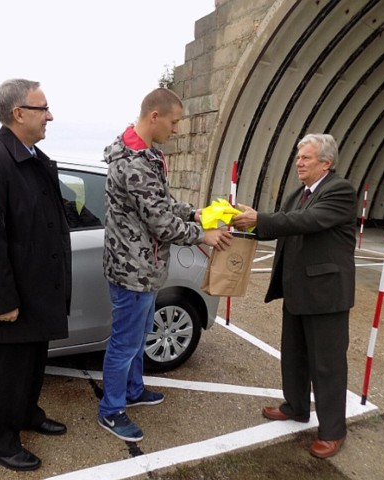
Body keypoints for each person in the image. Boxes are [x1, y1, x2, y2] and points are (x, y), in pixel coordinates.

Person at [99, 88, 233, 442]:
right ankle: (111, 411)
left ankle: (133, 389)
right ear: (154, 116)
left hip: (146, 266)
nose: (176, 130)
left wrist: (195, 213)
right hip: (132, 270)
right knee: (125, 343)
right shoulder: (133, 164)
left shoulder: (148, 156)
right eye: (174, 122)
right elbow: (161, 223)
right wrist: (203, 235)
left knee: (140, 337)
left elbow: (164, 203)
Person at [0, 79, 71, 472]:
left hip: (38, 290)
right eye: (43, 109)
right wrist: (1, 301)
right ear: (18, 113)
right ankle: (1, 442)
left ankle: (27, 414)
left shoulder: (32, 157)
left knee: (35, 361)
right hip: (15, 296)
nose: (50, 116)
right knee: (10, 371)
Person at [232, 133, 357, 459]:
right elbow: (283, 223)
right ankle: (296, 407)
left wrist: (262, 218)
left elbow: (308, 221)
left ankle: (332, 431)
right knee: (294, 355)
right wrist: (250, 222)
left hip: (326, 294)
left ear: (326, 163)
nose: (298, 162)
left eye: (306, 158)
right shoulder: (297, 194)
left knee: (327, 365)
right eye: (298, 157)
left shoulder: (339, 191)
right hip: (298, 289)